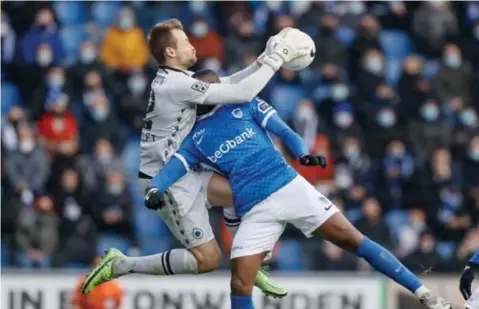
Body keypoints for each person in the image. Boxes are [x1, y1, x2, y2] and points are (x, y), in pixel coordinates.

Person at [143, 70, 452, 309]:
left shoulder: (245, 104)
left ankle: (424, 294)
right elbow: (174, 168)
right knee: (239, 283)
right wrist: (155, 189)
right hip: (256, 210)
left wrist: (302, 152)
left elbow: (285, 131)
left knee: (353, 239)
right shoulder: (195, 137)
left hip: (290, 187)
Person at [81, 19, 311, 297]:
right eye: (185, 42)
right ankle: (120, 265)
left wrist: (263, 58)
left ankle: (251, 265)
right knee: (208, 260)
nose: (192, 45)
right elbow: (242, 92)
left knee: (242, 192)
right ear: (170, 53)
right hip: (167, 180)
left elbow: (228, 82)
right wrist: (276, 59)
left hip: (186, 170)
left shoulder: (181, 80)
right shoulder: (175, 85)